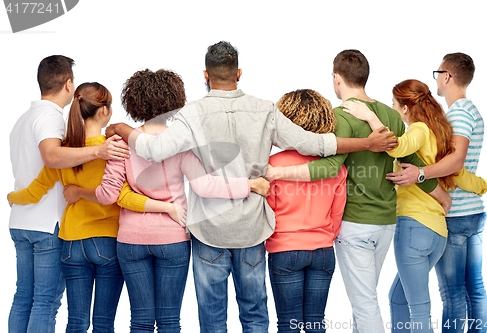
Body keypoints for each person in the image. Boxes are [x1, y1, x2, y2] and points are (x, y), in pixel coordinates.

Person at [105, 42, 397, 333]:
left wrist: (121, 128)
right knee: (255, 315)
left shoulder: (191, 114)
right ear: (239, 73)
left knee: (212, 318)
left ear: (205, 75)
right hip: (252, 232)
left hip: (209, 233)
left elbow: (154, 150)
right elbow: (315, 144)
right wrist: (367, 144)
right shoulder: (264, 110)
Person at [63, 69, 271, 333]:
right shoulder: (180, 142)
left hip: (131, 241)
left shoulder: (121, 141)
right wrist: (249, 185)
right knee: (170, 322)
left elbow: (109, 195)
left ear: (133, 101)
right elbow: (205, 186)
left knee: (140, 321)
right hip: (172, 239)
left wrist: (80, 192)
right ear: (174, 101)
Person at [266, 50, 448, 333]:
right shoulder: (391, 115)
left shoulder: (339, 117)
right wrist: (441, 195)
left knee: (364, 303)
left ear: (337, 79)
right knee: (365, 300)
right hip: (386, 222)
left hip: (355, 224)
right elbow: (412, 161)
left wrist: (278, 172)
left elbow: (328, 167)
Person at [342, 79, 487, 333]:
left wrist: (369, 117)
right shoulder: (440, 133)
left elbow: (397, 148)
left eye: (394, 105)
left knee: (419, 308)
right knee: (397, 297)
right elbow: (459, 173)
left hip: (414, 228)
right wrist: (482, 186)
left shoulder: (419, 129)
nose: (393, 109)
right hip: (438, 233)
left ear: (406, 108)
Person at [7, 55, 128, 333]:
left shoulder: (23, 122)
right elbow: (53, 158)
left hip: (54, 234)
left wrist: (13, 198)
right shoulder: (99, 145)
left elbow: (39, 184)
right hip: (60, 230)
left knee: (27, 299)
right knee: (51, 305)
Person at [386, 53, 487, 332]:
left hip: (453, 213)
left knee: (453, 292)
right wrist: (479, 185)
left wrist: (420, 174)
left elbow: (453, 164)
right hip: (472, 211)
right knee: (474, 287)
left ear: (447, 76)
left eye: (438, 73)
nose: (436, 80)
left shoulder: (456, 114)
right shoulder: (472, 112)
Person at [266, 89, 347, 333]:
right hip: (322, 251)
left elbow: (267, 211)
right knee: (315, 323)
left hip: (285, 249)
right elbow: (336, 213)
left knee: (288, 325)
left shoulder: (273, 165)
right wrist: (323, 237)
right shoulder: (334, 167)